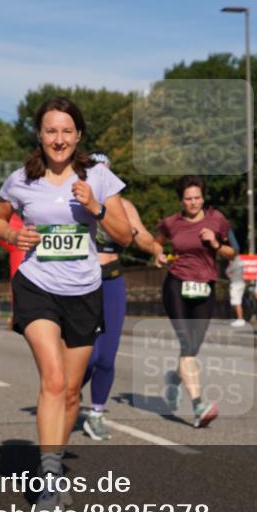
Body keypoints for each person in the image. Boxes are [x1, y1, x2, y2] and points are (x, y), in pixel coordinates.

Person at [0, 98, 131, 509]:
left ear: (79, 136)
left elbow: (123, 235)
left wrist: (95, 207)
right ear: (40, 134)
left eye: (67, 131)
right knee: (52, 380)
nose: (59, 139)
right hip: (36, 286)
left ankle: (51, 464)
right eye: (51, 130)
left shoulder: (99, 176)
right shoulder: (21, 180)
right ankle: (49, 477)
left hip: (85, 290)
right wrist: (13, 236)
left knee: (71, 392)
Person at [80, 153, 157, 441]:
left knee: (107, 356)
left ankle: (96, 413)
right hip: (81, 283)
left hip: (111, 280)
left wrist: (156, 250)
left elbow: (144, 237)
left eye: (105, 170)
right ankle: (69, 393)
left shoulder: (124, 206)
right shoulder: (76, 202)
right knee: (86, 356)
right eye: (94, 170)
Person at [151, 175, 235, 428]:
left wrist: (215, 243)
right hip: (176, 284)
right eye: (188, 198)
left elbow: (233, 252)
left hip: (205, 286)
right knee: (186, 344)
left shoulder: (216, 219)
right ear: (181, 200)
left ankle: (174, 380)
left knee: (193, 348)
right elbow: (157, 242)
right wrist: (158, 255)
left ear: (203, 198)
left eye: (197, 197)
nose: (193, 202)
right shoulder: (171, 223)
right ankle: (199, 405)